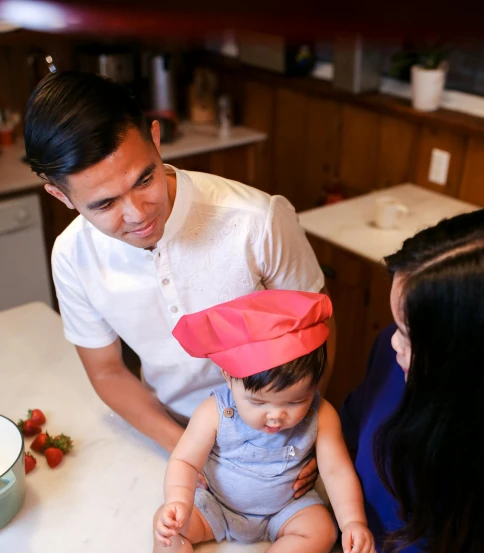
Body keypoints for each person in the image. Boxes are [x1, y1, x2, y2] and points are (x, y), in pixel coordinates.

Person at [24, 72, 333, 496]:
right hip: (167, 428)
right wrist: (186, 450)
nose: (137, 215)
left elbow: (314, 335)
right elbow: (109, 371)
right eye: (105, 204)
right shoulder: (72, 256)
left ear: (155, 138)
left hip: (280, 433)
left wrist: (309, 434)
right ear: (60, 197)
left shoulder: (257, 220)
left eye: (144, 179)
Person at [325, 208, 484, 553]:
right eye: (397, 323)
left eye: (412, 337)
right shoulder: (392, 356)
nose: (394, 343)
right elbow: (347, 440)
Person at [120, 290, 376, 553]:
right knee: (168, 527)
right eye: (257, 402)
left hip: (285, 508)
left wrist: (353, 522)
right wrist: (178, 502)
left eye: (295, 401)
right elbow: (184, 459)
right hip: (217, 505)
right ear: (228, 378)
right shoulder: (215, 411)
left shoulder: (323, 414)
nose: (276, 415)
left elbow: (336, 470)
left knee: (322, 530)